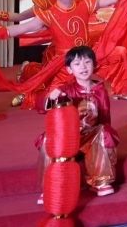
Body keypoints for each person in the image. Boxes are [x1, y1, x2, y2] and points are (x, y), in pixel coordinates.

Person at [0, 0, 127, 108]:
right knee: (51, 96)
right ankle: (27, 70)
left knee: (120, 53)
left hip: (89, 54)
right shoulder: (48, 12)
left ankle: (123, 91)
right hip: (65, 61)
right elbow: (21, 27)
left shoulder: (83, 4)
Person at [35, 46, 118, 204]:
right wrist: (51, 97)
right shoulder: (65, 90)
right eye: (77, 64)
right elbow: (41, 107)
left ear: (94, 64)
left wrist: (107, 140)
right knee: (48, 139)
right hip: (67, 139)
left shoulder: (100, 90)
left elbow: (105, 118)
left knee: (103, 130)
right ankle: (50, 188)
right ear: (69, 69)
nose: (83, 67)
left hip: (90, 138)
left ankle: (101, 181)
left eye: (87, 62)